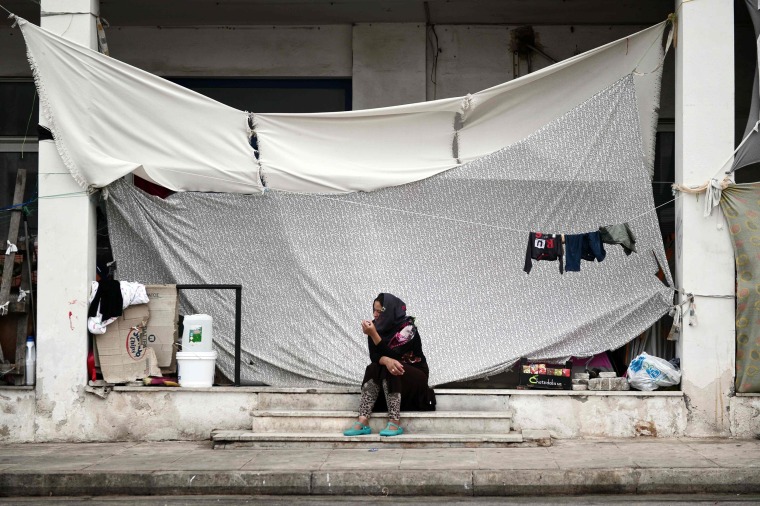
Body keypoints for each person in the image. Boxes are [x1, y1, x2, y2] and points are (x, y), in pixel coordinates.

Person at [343, 293, 435, 437]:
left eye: (379, 311)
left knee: (393, 367)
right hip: (391, 371)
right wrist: (384, 359)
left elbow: (395, 356)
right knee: (374, 368)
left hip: (415, 375)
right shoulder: (376, 327)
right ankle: (363, 420)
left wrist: (374, 335)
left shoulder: (408, 329)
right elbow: (375, 357)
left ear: (390, 310)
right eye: (374, 310)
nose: (375, 314)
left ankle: (394, 421)